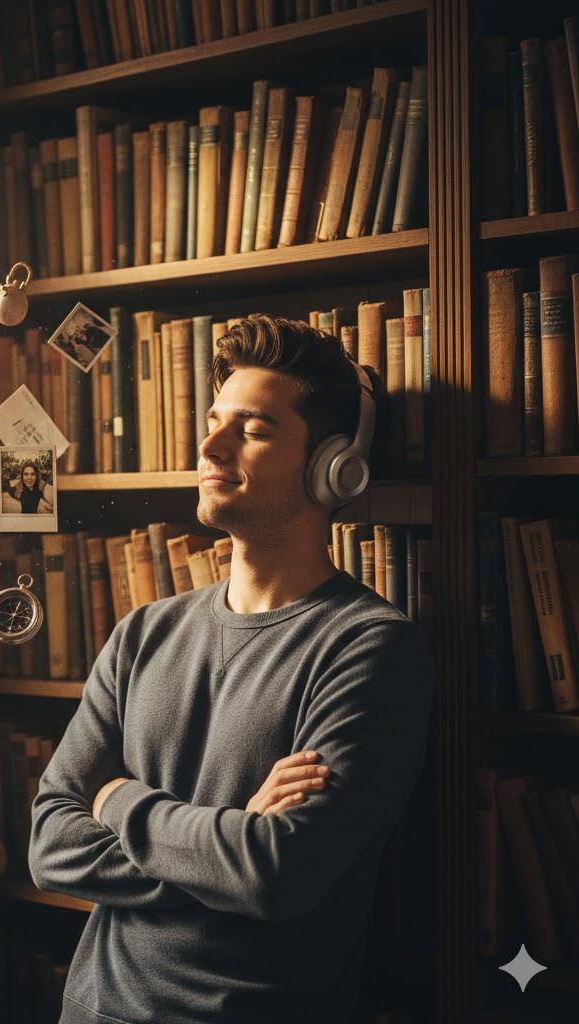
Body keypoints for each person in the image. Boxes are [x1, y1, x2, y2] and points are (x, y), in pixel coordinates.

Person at [29, 314, 436, 1024]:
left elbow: (275, 874)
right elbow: (50, 845)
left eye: (252, 429)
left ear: (332, 465)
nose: (210, 445)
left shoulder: (371, 648)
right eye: (214, 420)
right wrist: (226, 836)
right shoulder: (143, 632)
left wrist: (117, 801)